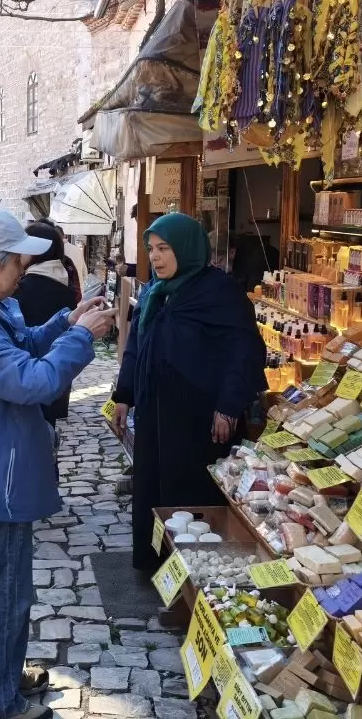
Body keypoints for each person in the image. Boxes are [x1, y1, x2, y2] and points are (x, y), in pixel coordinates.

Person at [0, 210, 115, 719]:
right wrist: (83, 337)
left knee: (7, 586)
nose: (23, 271)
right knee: (2, 592)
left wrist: (65, 322)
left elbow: (23, 347)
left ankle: (3, 678)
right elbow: (32, 381)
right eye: (17, 262)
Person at [113, 212, 267, 572]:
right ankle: (156, 564)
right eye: (151, 249)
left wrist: (228, 407)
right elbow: (136, 345)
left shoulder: (219, 292)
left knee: (190, 493)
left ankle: (195, 573)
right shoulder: (155, 292)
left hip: (198, 417)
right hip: (155, 413)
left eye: (164, 248)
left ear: (186, 248)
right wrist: (124, 395)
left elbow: (242, 352)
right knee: (153, 487)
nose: (155, 257)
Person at [13, 222, 82, 429]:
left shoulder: (23, 289)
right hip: (56, 375)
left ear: (36, 252)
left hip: (30, 378)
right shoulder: (64, 284)